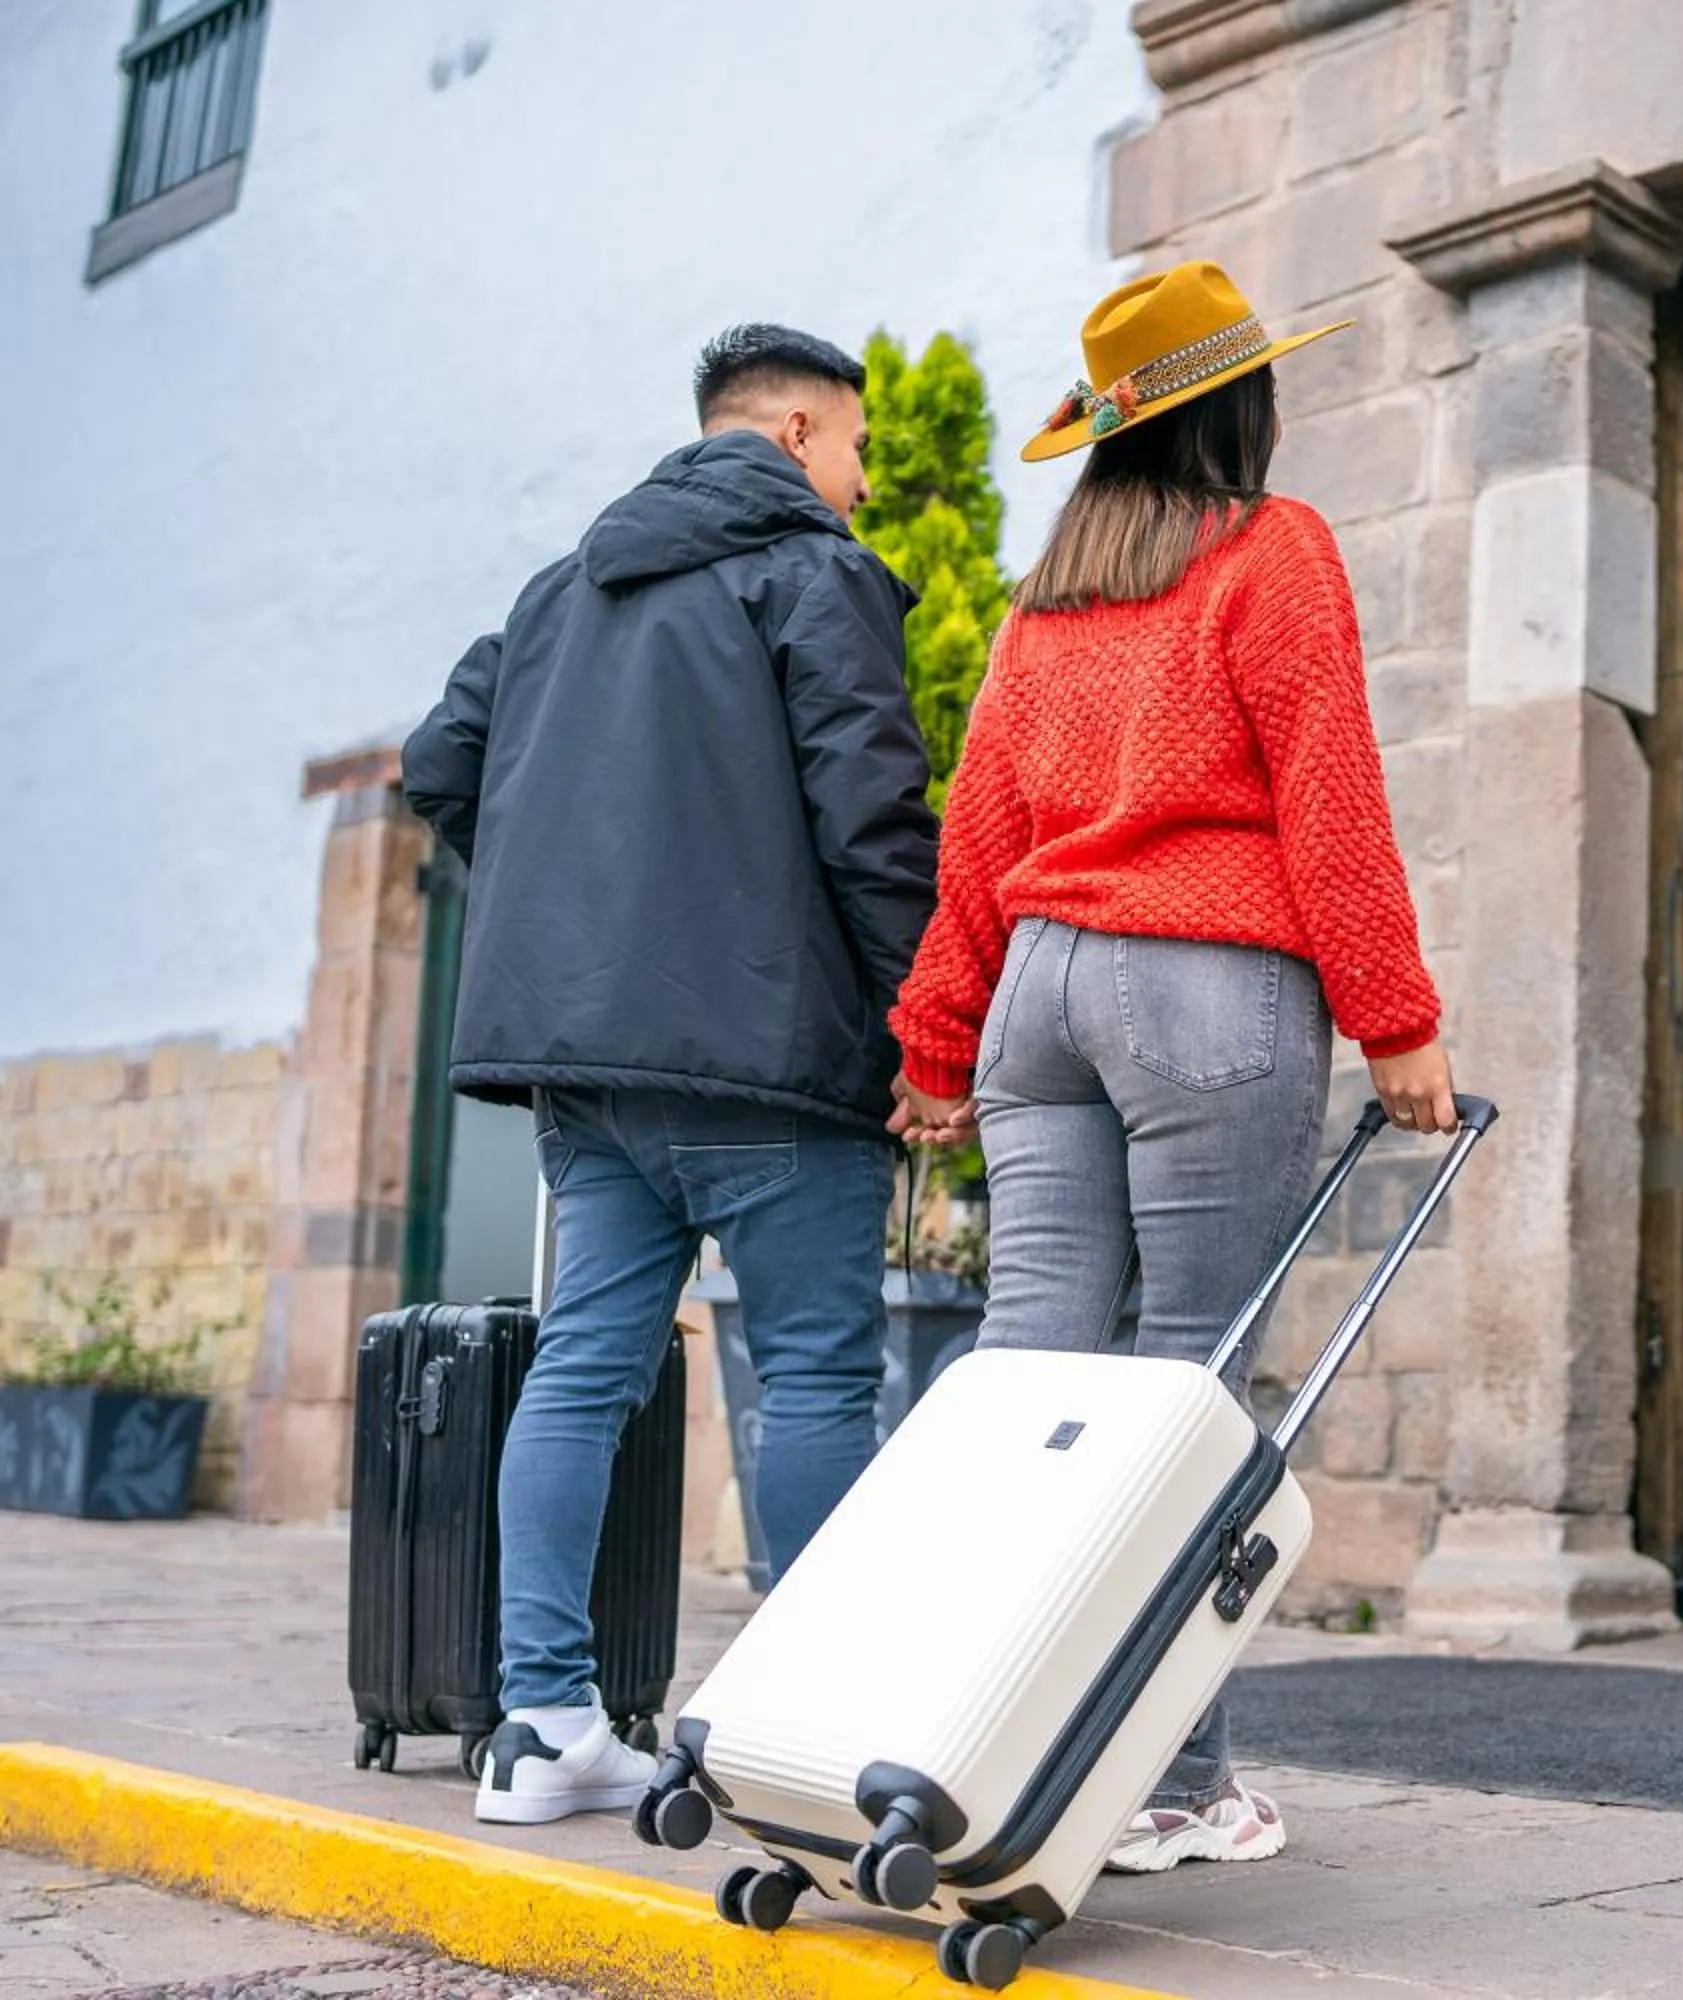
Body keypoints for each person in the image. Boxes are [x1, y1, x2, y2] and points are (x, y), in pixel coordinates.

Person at [888, 260, 1454, 1872]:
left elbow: (978, 830)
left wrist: (937, 1040)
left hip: (1041, 997)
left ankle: (969, 1740)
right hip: (1207, 989)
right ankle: (1170, 1782)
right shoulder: (1273, 550)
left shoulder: (1046, 600)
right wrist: (1397, 1020)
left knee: (1029, 1387)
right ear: (1241, 407)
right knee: (1190, 1395)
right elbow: (1329, 798)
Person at [402, 325, 937, 1823]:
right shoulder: (816, 575)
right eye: (857, 447)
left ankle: (544, 1727)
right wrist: (927, 1027)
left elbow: (438, 765)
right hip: (774, 1063)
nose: (862, 480)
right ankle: (816, 1730)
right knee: (815, 1375)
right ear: (794, 432)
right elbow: (872, 821)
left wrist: (568, 907)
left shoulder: (557, 593)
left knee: (581, 1370)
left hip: (592, 1073)